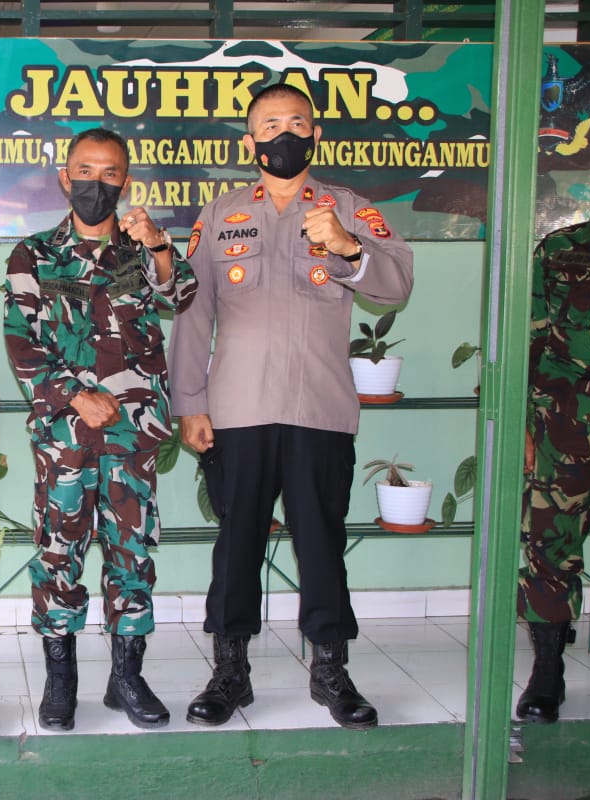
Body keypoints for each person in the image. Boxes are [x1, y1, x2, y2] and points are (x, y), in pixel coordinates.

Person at [170, 84, 414, 730]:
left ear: (316, 135)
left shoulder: (349, 208)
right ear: (250, 141)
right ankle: (230, 671)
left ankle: (331, 670)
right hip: (238, 410)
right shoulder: (220, 214)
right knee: (237, 543)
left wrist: (349, 247)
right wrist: (190, 402)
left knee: (321, 542)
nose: (285, 134)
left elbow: (396, 286)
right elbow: (192, 312)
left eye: (297, 123)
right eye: (271, 124)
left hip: (319, 409)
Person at [3, 128, 197, 731]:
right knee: (58, 550)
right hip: (65, 437)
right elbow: (21, 342)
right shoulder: (34, 254)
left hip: (132, 436)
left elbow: (182, 294)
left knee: (130, 551)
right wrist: (74, 396)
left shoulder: (140, 248)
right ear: (65, 178)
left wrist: (158, 245)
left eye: (110, 173)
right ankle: (61, 680)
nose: (96, 183)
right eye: (84, 171)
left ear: (125, 181)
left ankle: (126, 678)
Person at [516, 216, 590, 723]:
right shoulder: (562, 248)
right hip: (564, 425)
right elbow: (530, 338)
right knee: (549, 546)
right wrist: (523, 423)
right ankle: (548, 671)